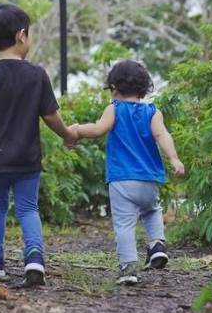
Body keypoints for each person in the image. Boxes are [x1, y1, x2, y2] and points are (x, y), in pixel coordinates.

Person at [0, 3, 78, 287]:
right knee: (28, 208)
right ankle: (34, 258)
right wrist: (67, 135)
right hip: (27, 157)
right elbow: (51, 116)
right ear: (21, 36)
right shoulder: (36, 74)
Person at [71, 60, 185, 285]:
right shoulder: (153, 112)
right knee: (152, 210)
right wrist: (174, 158)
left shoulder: (114, 109)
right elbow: (163, 136)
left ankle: (128, 267)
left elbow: (97, 129)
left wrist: (76, 130)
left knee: (124, 224)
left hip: (122, 179)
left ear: (114, 87)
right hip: (149, 179)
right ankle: (157, 245)